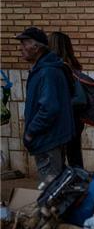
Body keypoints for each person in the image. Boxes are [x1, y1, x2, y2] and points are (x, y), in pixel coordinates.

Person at [16, 27, 74, 184]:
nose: (20, 48)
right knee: (56, 186)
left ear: (36, 47)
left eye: (24, 44)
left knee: (51, 188)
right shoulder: (43, 69)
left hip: (48, 139)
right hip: (49, 138)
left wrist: (31, 132)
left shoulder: (47, 71)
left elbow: (49, 108)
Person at [48, 31, 89, 170]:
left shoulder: (59, 68)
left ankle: (70, 187)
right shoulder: (72, 66)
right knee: (74, 156)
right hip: (75, 119)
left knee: (59, 160)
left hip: (64, 118)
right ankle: (79, 186)